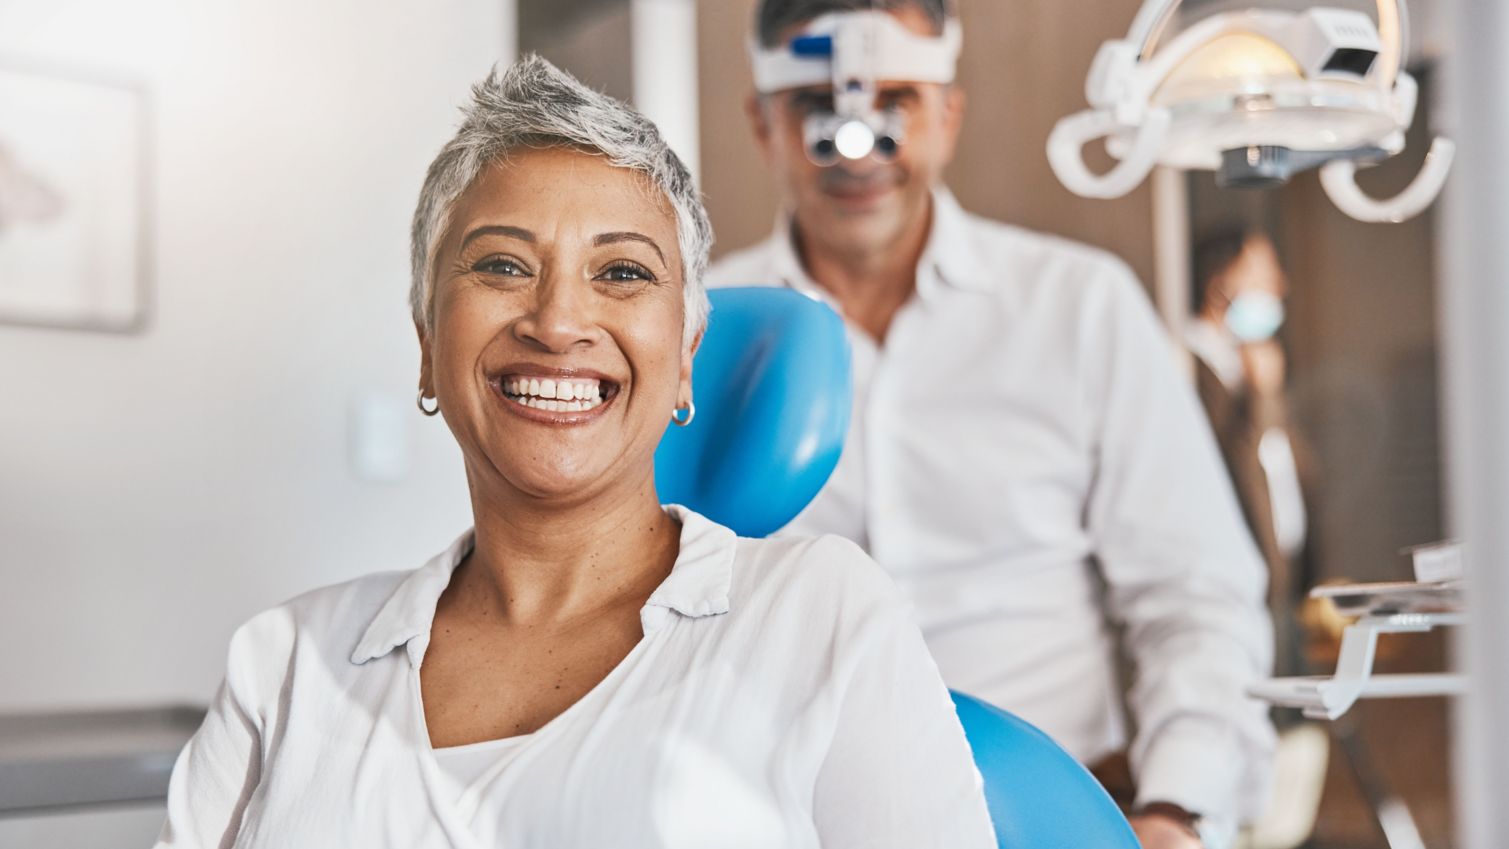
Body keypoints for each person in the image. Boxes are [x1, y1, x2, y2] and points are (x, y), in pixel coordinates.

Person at [153, 56, 994, 849]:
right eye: (503, 265)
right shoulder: (288, 658)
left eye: (622, 272)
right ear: (426, 341)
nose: (556, 323)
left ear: (687, 356)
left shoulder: (818, 614)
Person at [709, 2, 1276, 846]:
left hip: (1062, 805)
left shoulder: (1079, 306)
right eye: (815, 108)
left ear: (948, 112)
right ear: (761, 122)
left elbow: (1195, 595)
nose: (859, 144)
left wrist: (1177, 808)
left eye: (894, 100)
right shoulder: (695, 334)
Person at [1188, 230, 1310, 678]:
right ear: (1219, 281)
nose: (1279, 286)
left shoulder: (1253, 361)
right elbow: (1230, 468)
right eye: (1261, 273)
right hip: (1229, 588)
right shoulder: (1190, 365)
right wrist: (1260, 397)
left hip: (1278, 585)